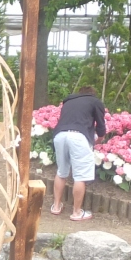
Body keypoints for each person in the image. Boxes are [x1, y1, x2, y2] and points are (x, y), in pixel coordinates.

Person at [50, 85, 107, 222]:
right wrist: (98, 140)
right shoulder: (95, 102)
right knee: (80, 176)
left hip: (60, 135)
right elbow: (100, 127)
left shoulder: (68, 101)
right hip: (78, 137)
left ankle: (56, 206)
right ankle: (76, 212)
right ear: (92, 94)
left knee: (61, 172)